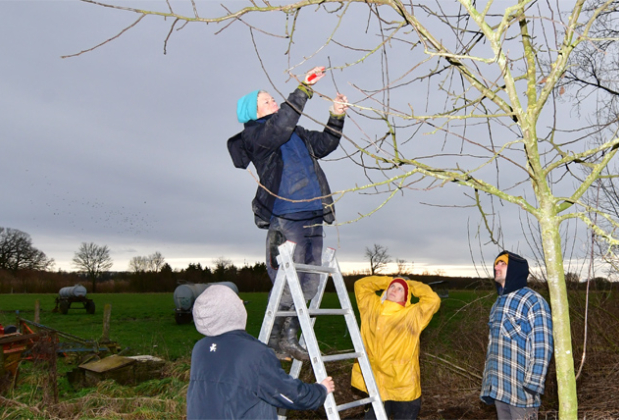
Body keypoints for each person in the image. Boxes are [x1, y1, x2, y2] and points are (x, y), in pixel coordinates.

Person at [227, 66, 349, 361]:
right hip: (286, 218)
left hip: (313, 215)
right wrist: (303, 88)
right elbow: (280, 124)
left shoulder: (295, 132)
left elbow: (324, 144)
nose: (274, 102)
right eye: (267, 100)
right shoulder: (257, 136)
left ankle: (289, 340)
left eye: (273, 99)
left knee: (308, 283)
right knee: (286, 280)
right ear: (252, 113)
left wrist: (336, 116)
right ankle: (273, 341)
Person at [186, 284, 335, 419]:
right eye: (238, 302)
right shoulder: (255, 354)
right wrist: (320, 390)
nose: (241, 303)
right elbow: (289, 395)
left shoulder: (200, 349)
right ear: (231, 312)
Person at [350, 276, 441, 419]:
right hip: (376, 384)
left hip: (403, 387)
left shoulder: (412, 315)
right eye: (392, 287)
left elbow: (433, 300)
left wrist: (409, 284)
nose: (394, 289)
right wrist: (390, 280)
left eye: (400, 289)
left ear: (406, 296)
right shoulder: (370, 307)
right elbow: (360, 285)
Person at [480, 251, 553, 420]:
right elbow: (492, 347)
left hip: (522, 391)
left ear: (515, 269)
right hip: (499, 388)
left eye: (502, 263)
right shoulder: (497, 304)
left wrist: (532, 385)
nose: (496, 266)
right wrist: (489, 382)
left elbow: (543, 346)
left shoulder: (533, 301)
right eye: (496, 263)